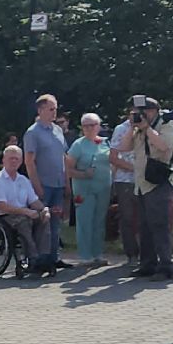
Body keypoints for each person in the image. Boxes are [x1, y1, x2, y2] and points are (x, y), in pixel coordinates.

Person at [120, 98, 173, 280]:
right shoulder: (137, 128)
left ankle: (165, 266)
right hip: (142, 183)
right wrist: (132, 127)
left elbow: (165, 146)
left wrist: (147, 129)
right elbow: (124, 147)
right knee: (144, 226)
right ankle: (147, 264)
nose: (140, 115)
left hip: (159, 182)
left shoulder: (167, 123)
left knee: (159, 225)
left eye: (143, 111)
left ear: (153, 110)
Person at [0, 144, 50, 275]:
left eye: (17, 159)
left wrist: (44, 209)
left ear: (21, 161)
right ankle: (32, 257)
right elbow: (1, 205)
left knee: (44, 219)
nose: (14, 161)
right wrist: (26, 211)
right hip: (4, 215)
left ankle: (43, 256)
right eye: (11, 158)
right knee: (24, 221)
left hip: (24, 213)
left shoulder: (23, 180)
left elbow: (33, 201)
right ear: (3, 160)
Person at [23, 94, 70, 262]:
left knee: (56, 222)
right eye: (51, 109)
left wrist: (66, 182)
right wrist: (36, 186)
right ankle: (38, 260)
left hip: (58, 184)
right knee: (42, 223)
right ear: (40, 110)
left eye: (55, 109)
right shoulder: (32, 133)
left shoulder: (57, 130)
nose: (54, 112)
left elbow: (62, 157)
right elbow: (29, 161)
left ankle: (53, 258)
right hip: (43, 184)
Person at [67, 112, 112, 267]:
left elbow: (113, 162)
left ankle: (98, 253)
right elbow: (68, 169)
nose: (90, 128)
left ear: (98, 126)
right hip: (83, 189)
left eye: (93, 125)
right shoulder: (78, 145)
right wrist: (83, 174)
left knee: (99, 220)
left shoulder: (105, 143)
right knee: (85, 220)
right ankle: (85, 255)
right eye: (86, 126)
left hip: (104, 188)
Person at [109, 112, 140, 265]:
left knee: (146, 219)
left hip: (146, 181)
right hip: (125, 180)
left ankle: (147, 254)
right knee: (127, 218)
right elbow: (113, 157)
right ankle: (132, 254)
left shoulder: (150, 127)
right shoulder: (120, 129)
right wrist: (134, 169)